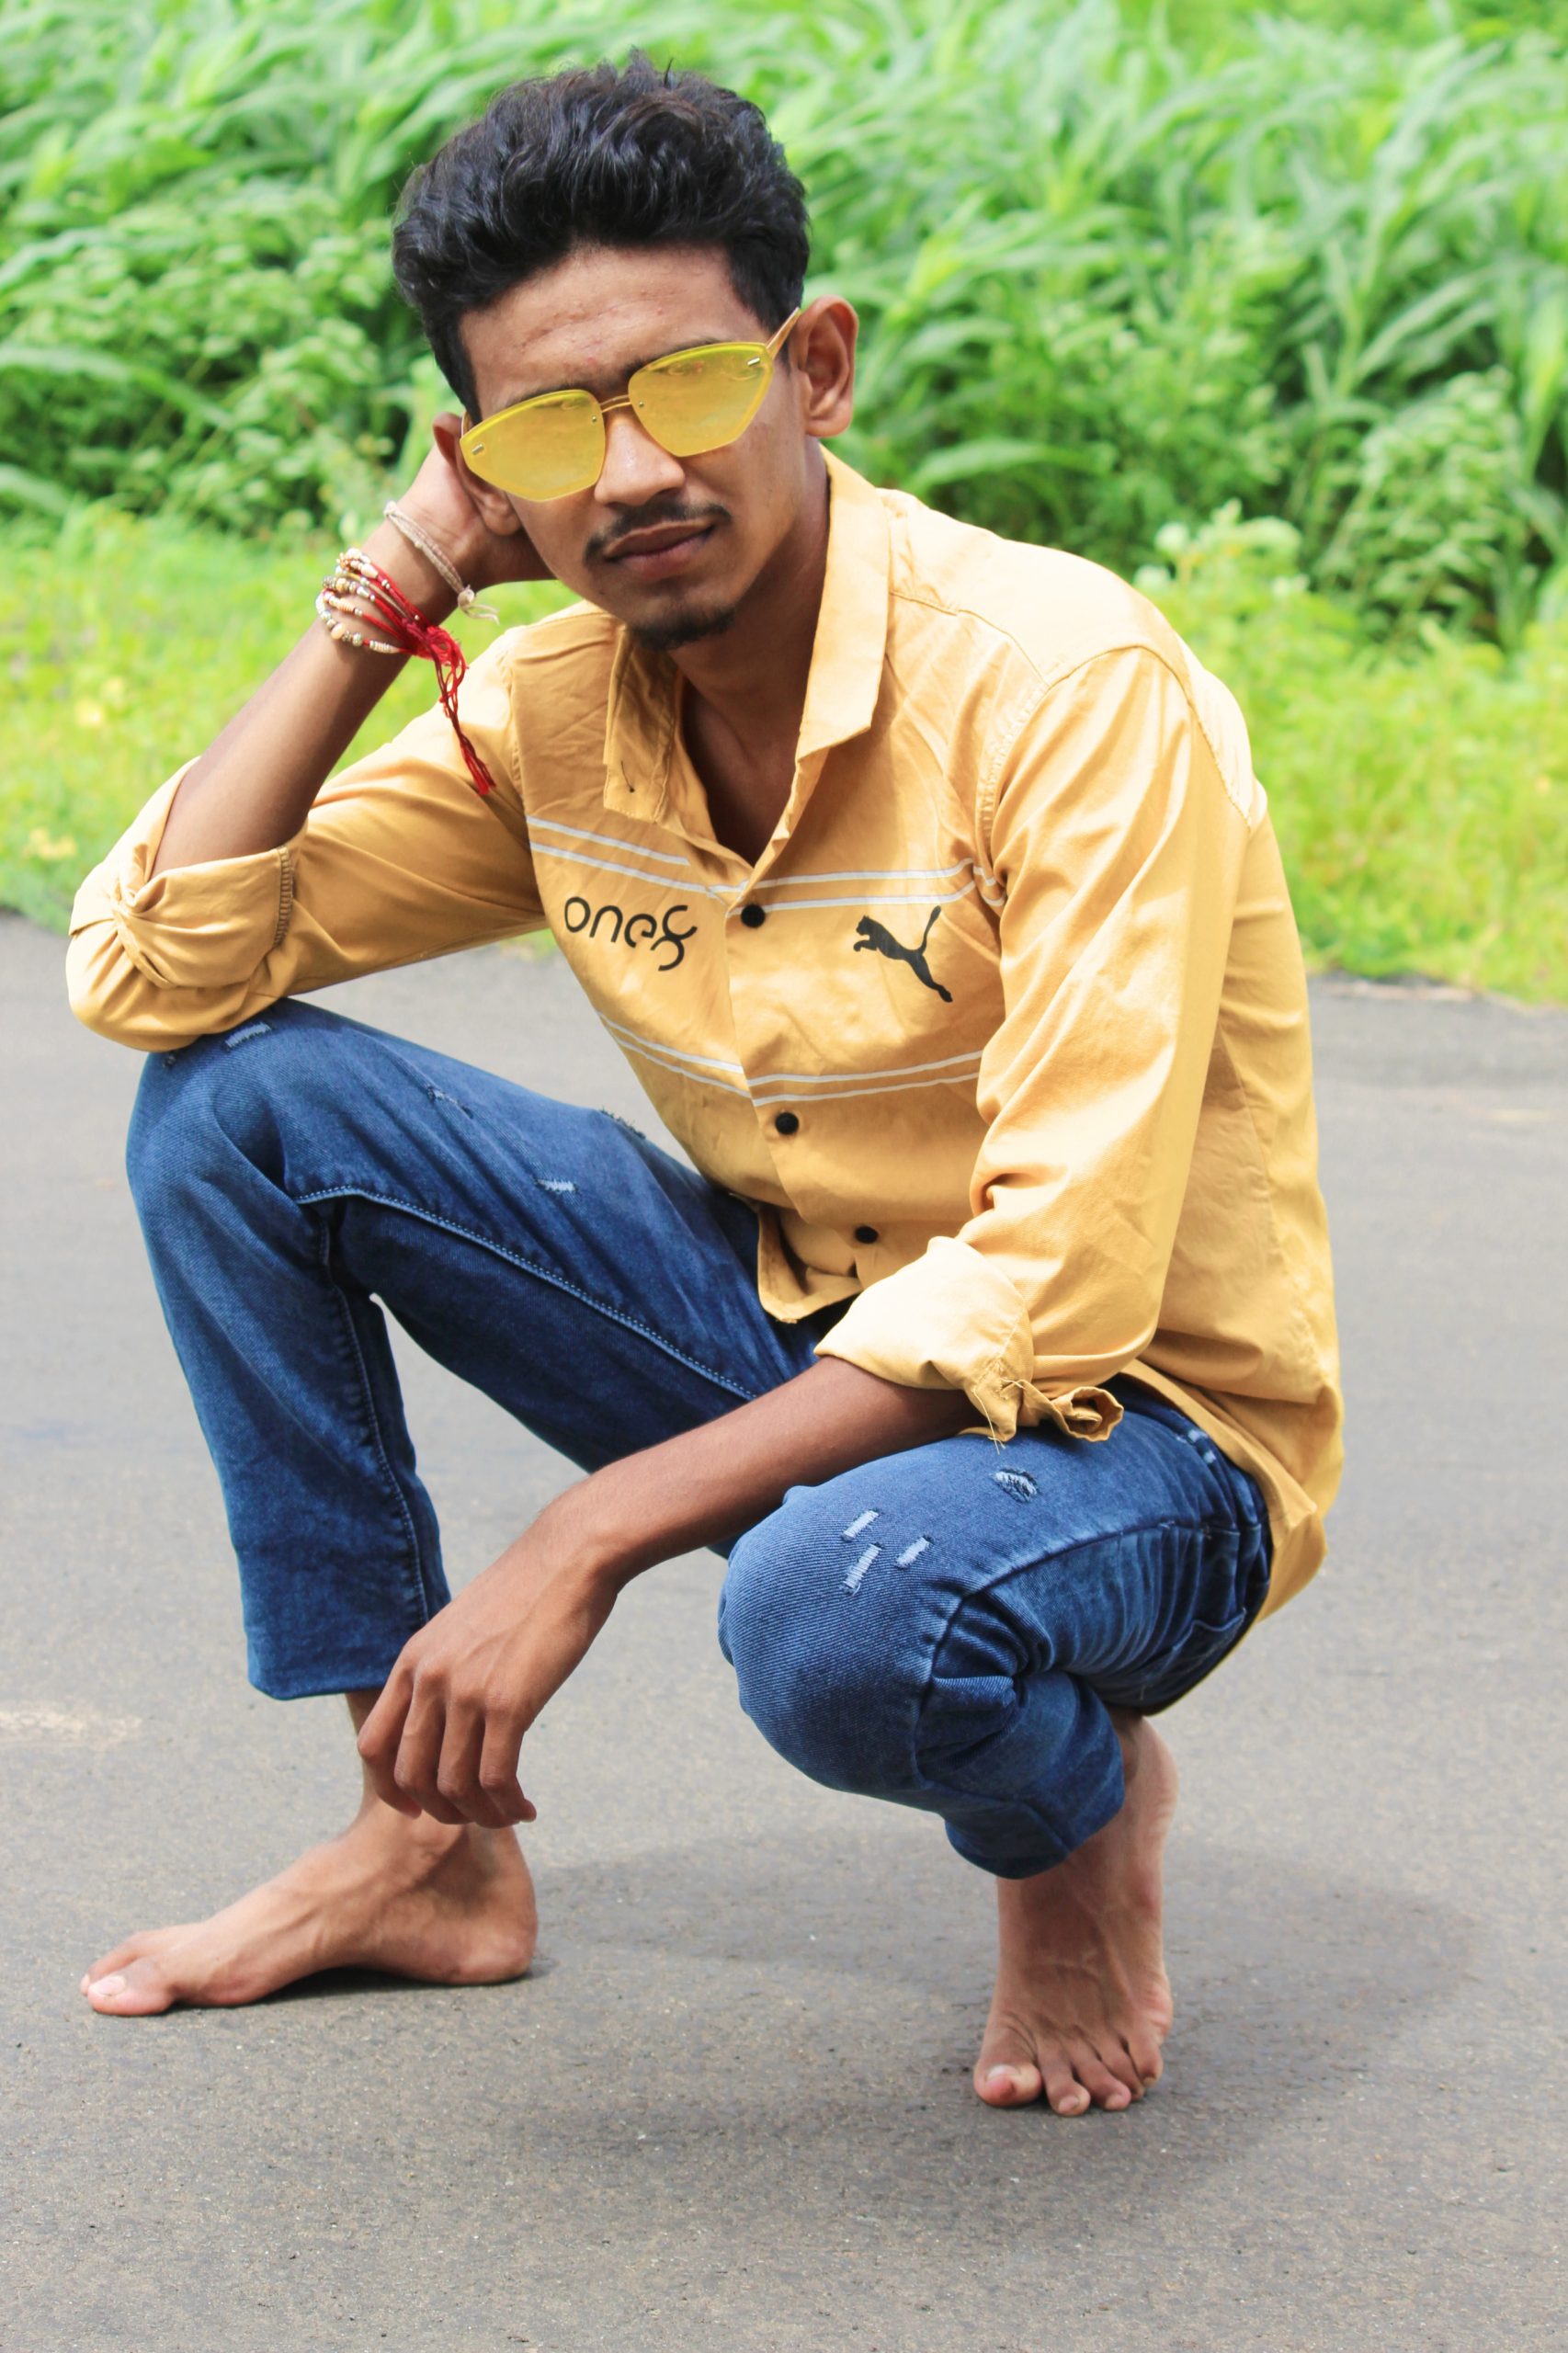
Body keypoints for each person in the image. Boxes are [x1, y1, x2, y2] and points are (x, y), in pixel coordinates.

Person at [65, 55, 1341, 2117]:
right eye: (556, 427)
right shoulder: (555, 708)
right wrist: (387, 595)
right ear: (489, 461)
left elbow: (1064, 1280)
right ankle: (429, 1843)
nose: (633, 470)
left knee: (836, 1615)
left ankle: (1071, 1822)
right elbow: (154, 965)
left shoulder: (1063, 686)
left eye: (683, 385)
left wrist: (583, 1532)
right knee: (235, 1111)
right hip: (799, 1327)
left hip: (1143, 1436)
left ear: (810, 367)